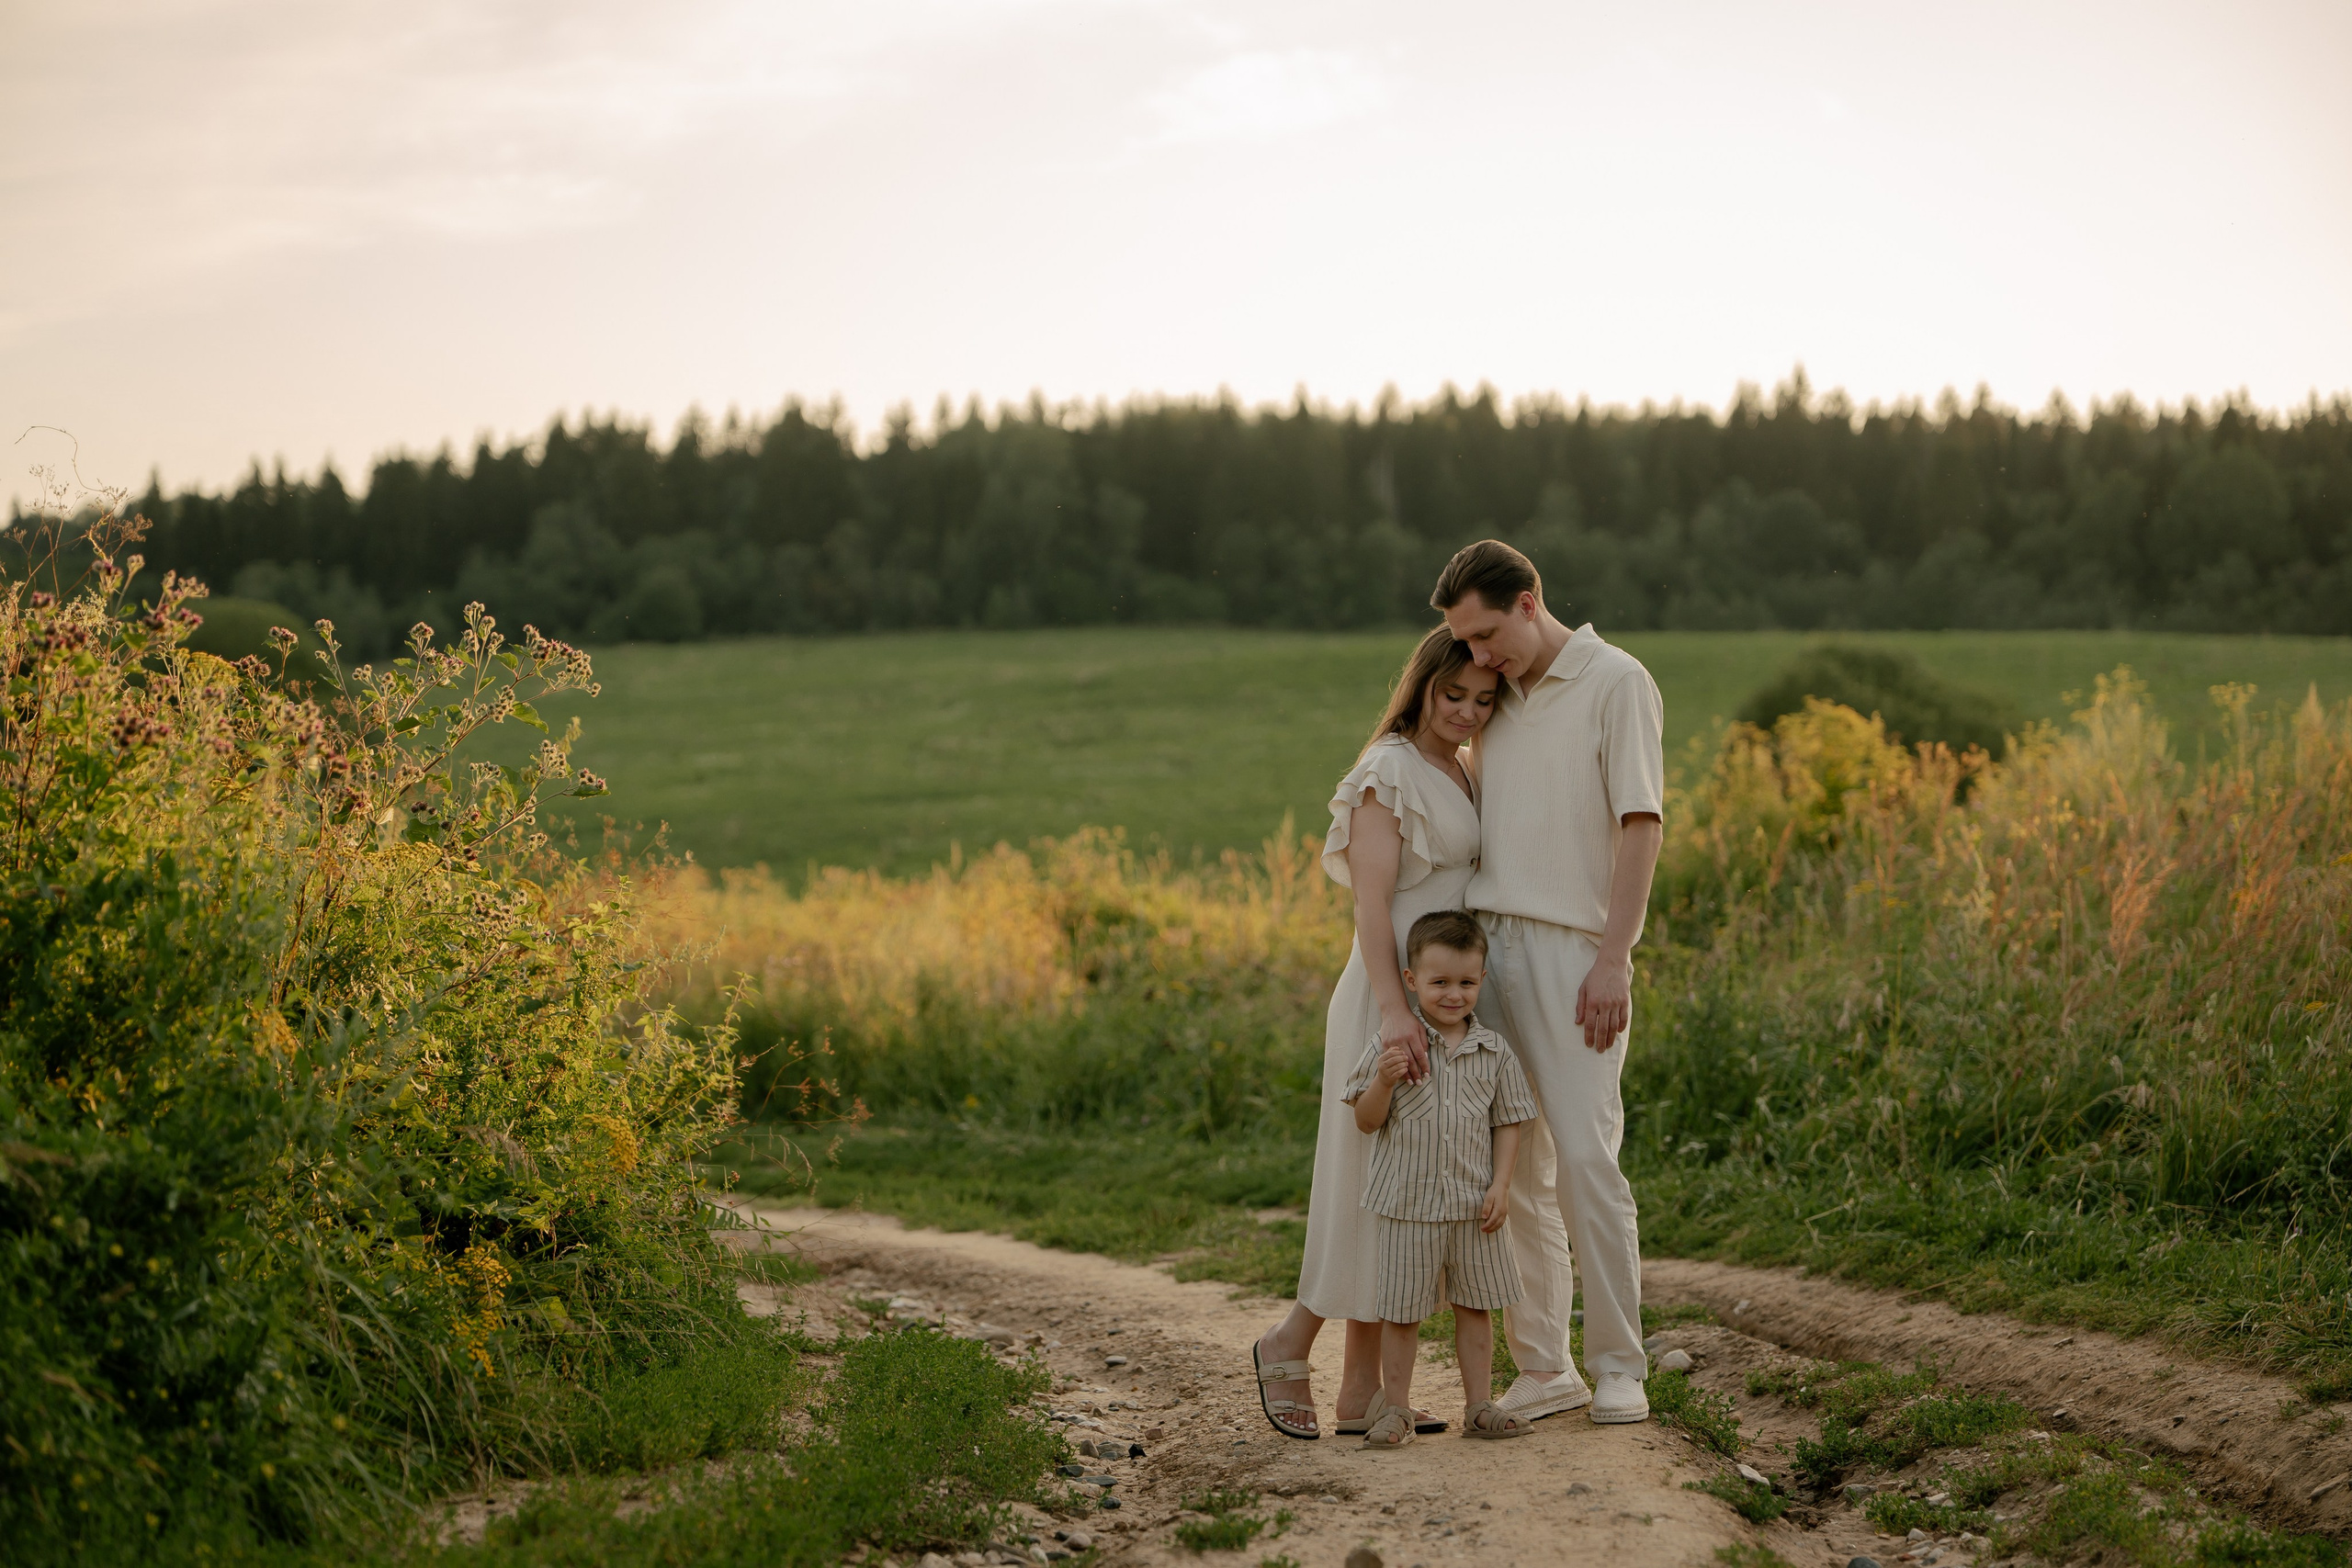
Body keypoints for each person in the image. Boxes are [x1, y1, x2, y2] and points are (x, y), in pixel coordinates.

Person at [1249, 626, 1500, 1439]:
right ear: (1422, 684)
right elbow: (1370, 904)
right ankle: (1288, 1342)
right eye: (1452, 693)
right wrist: (1396, 1012)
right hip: (1385, 1000)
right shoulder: (1386, 772)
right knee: (1363, 1186)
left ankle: (1362, 1396)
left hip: (1428, 998)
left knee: (1390, 1196)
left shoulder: (1453, 768)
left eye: (1482, 699)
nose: (1466, 711)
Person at [1435, 538, 1666, 1427]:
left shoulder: (1617, 681)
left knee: (1582, 1158)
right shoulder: (1492, 700)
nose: (1478, 656)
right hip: (1492, 950)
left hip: (1577, 953)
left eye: (1488, 632)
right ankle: (1544, 1365)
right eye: (1466, 640)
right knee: (1513, 1169)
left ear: (1529, 600)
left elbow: (1640, 826)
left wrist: (1614, 956)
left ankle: (1618, 1364)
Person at [1340, 909, 1540, 1449]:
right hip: (1407, 1205)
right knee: (1402, 1312)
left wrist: (1500, 1185)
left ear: (1481, 980)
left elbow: (1508, 1121)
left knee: (1476, 1307)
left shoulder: (1494, 1052)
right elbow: (1364, 1120)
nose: (1455, 994)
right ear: (1411, 981)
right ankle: (1397, 1410)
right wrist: (1382, 1082)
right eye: (1440, 982)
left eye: (1467, 982)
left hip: (1475, 1206)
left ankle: (1479, 1406)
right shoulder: (1394, 1046)